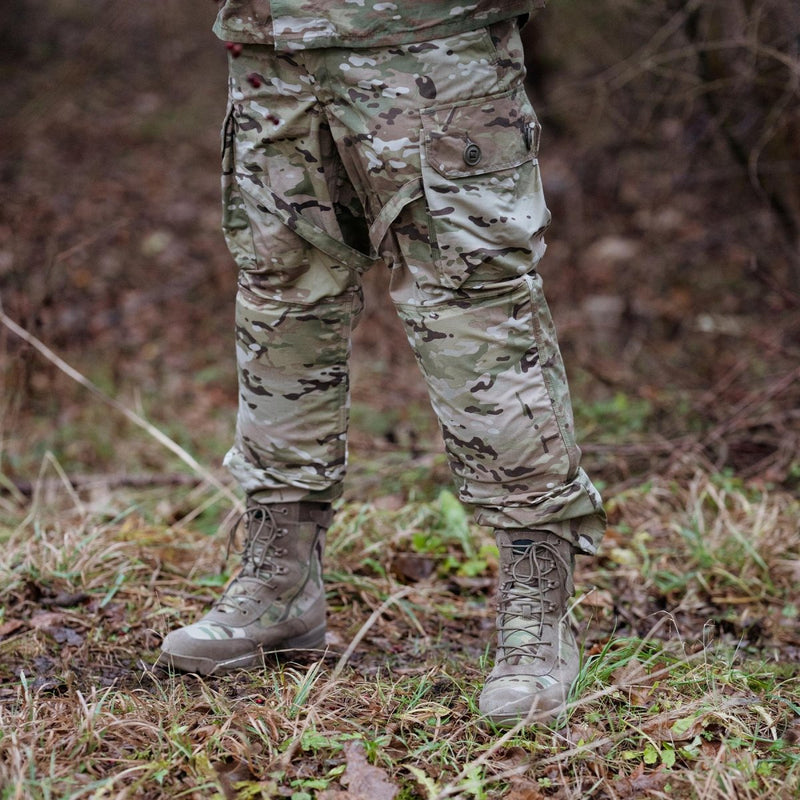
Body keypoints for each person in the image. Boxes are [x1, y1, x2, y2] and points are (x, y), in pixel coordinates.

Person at [157, 0, 606, 727]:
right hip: (273, 46)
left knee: (474, 307)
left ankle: (538, 605)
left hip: (433, 41)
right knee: (281, 301)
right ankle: (281, 578)